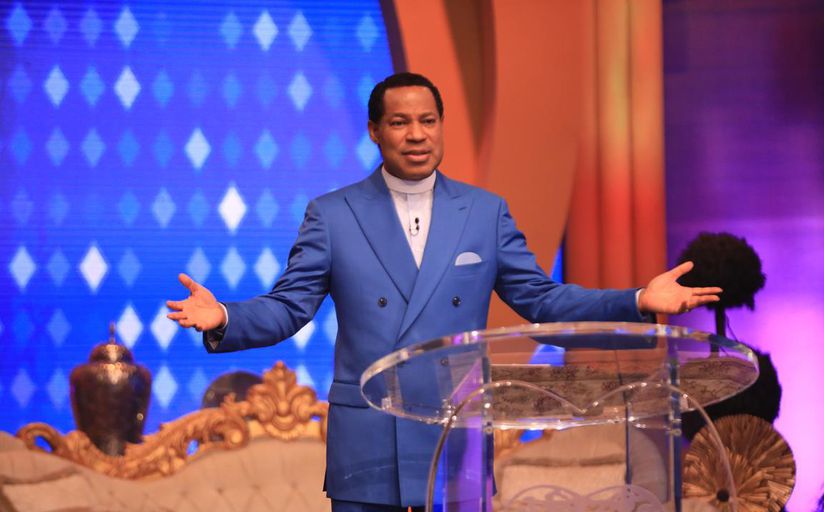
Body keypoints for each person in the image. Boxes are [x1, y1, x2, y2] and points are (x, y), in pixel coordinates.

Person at [166, 72, 721, 512]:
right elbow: (290, 307)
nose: (417, 134)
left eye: (428, 121)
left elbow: (542, 300)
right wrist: (224, 317)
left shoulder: (484, 212)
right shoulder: (332, 215)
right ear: (374, 131)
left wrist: (636, 301)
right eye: (400, 122)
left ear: (441, 126)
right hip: (369, 438)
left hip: (455, 435)